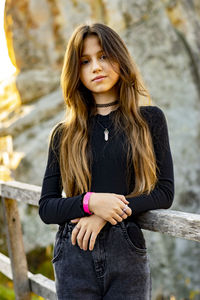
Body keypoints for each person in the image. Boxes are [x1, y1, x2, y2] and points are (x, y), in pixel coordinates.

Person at [38, 22, 174, 300]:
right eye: (85, 62)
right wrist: (90, 202)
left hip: (127, 252)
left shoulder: (149, 120)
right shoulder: (64, 134)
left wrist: (104, 214)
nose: (96, 67)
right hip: (74, 251)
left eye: (103, 56)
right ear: (75, 72)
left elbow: (164, 192)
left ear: (120, 59)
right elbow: (47, 207)